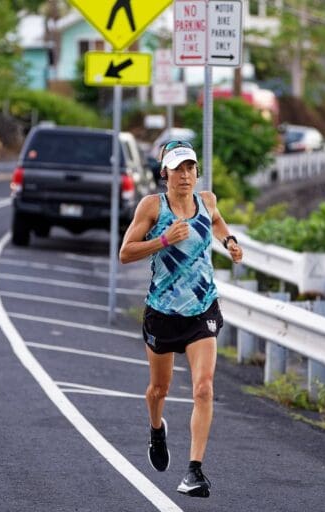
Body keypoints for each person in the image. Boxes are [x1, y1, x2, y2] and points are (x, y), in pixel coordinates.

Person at [119, 140, 242, 498]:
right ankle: (157, 429)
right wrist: (163, 240)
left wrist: (230, 241)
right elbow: (125, 252)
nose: (185, 175)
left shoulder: (208, 200)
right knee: (160, 390)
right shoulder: (152, 207)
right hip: (162, 313)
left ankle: (194, 472)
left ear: (196, 172)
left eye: (190, 168)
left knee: (204, 388)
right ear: (165, 173)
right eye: (178, 168)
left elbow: (217, 222)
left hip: (202, 310)